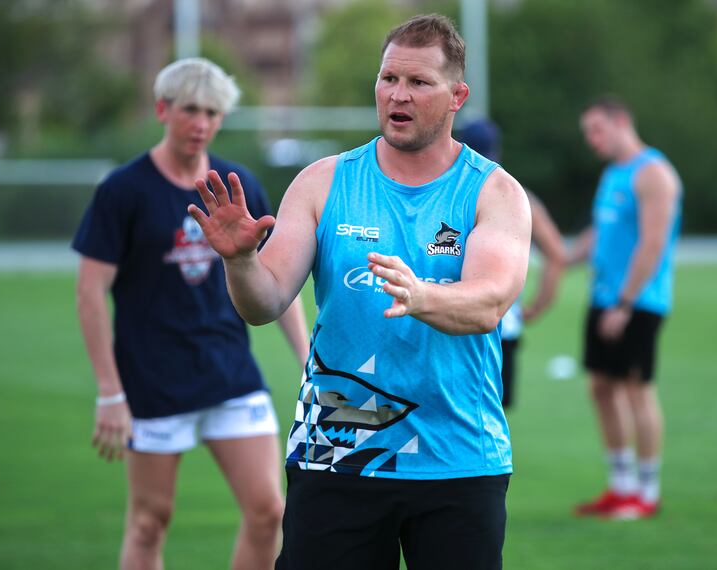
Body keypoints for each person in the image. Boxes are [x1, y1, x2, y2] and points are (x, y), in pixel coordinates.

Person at [188, 14, 531, 570]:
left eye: (419, 83)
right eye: (389, 78)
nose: (399, 94)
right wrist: (241, 261)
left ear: (456, 96)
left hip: (458, 457)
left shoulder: (494, 192)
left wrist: (422, 298)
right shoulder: (324, 181)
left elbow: (489, 303)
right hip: (336, 455)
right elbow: (264, 302)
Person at [73, 58, 310, 569]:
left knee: (270, 510)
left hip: (230, 375)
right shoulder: (123, 191)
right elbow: (90, 293)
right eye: (189, 110)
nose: (201, 122)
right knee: (148, 521)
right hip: (153, 383)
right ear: (163, 109)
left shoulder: (238, 184)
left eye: (212, 112)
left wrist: (310, 361)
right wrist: (110, 392)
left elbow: (275, 279)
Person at [569, 95, 682, 519]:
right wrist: (560, 261)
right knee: (600, 387)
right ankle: (621, 486)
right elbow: (599, 234)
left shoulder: (654, 174)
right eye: (588, 133)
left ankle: (646, 493)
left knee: (637, 390)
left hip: (638, 301)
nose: (592, 139)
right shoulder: (613, 175)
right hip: (604, 297)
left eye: (597, 130)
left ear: (620, 123)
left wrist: (626, 302)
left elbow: (653, 244)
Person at [458, 119, 566, 409]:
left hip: (448, 323)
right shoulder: (517, 196)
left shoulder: (444, 193)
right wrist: (534, 307)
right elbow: (556, 255)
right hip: (500, 325)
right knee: (489, 423)